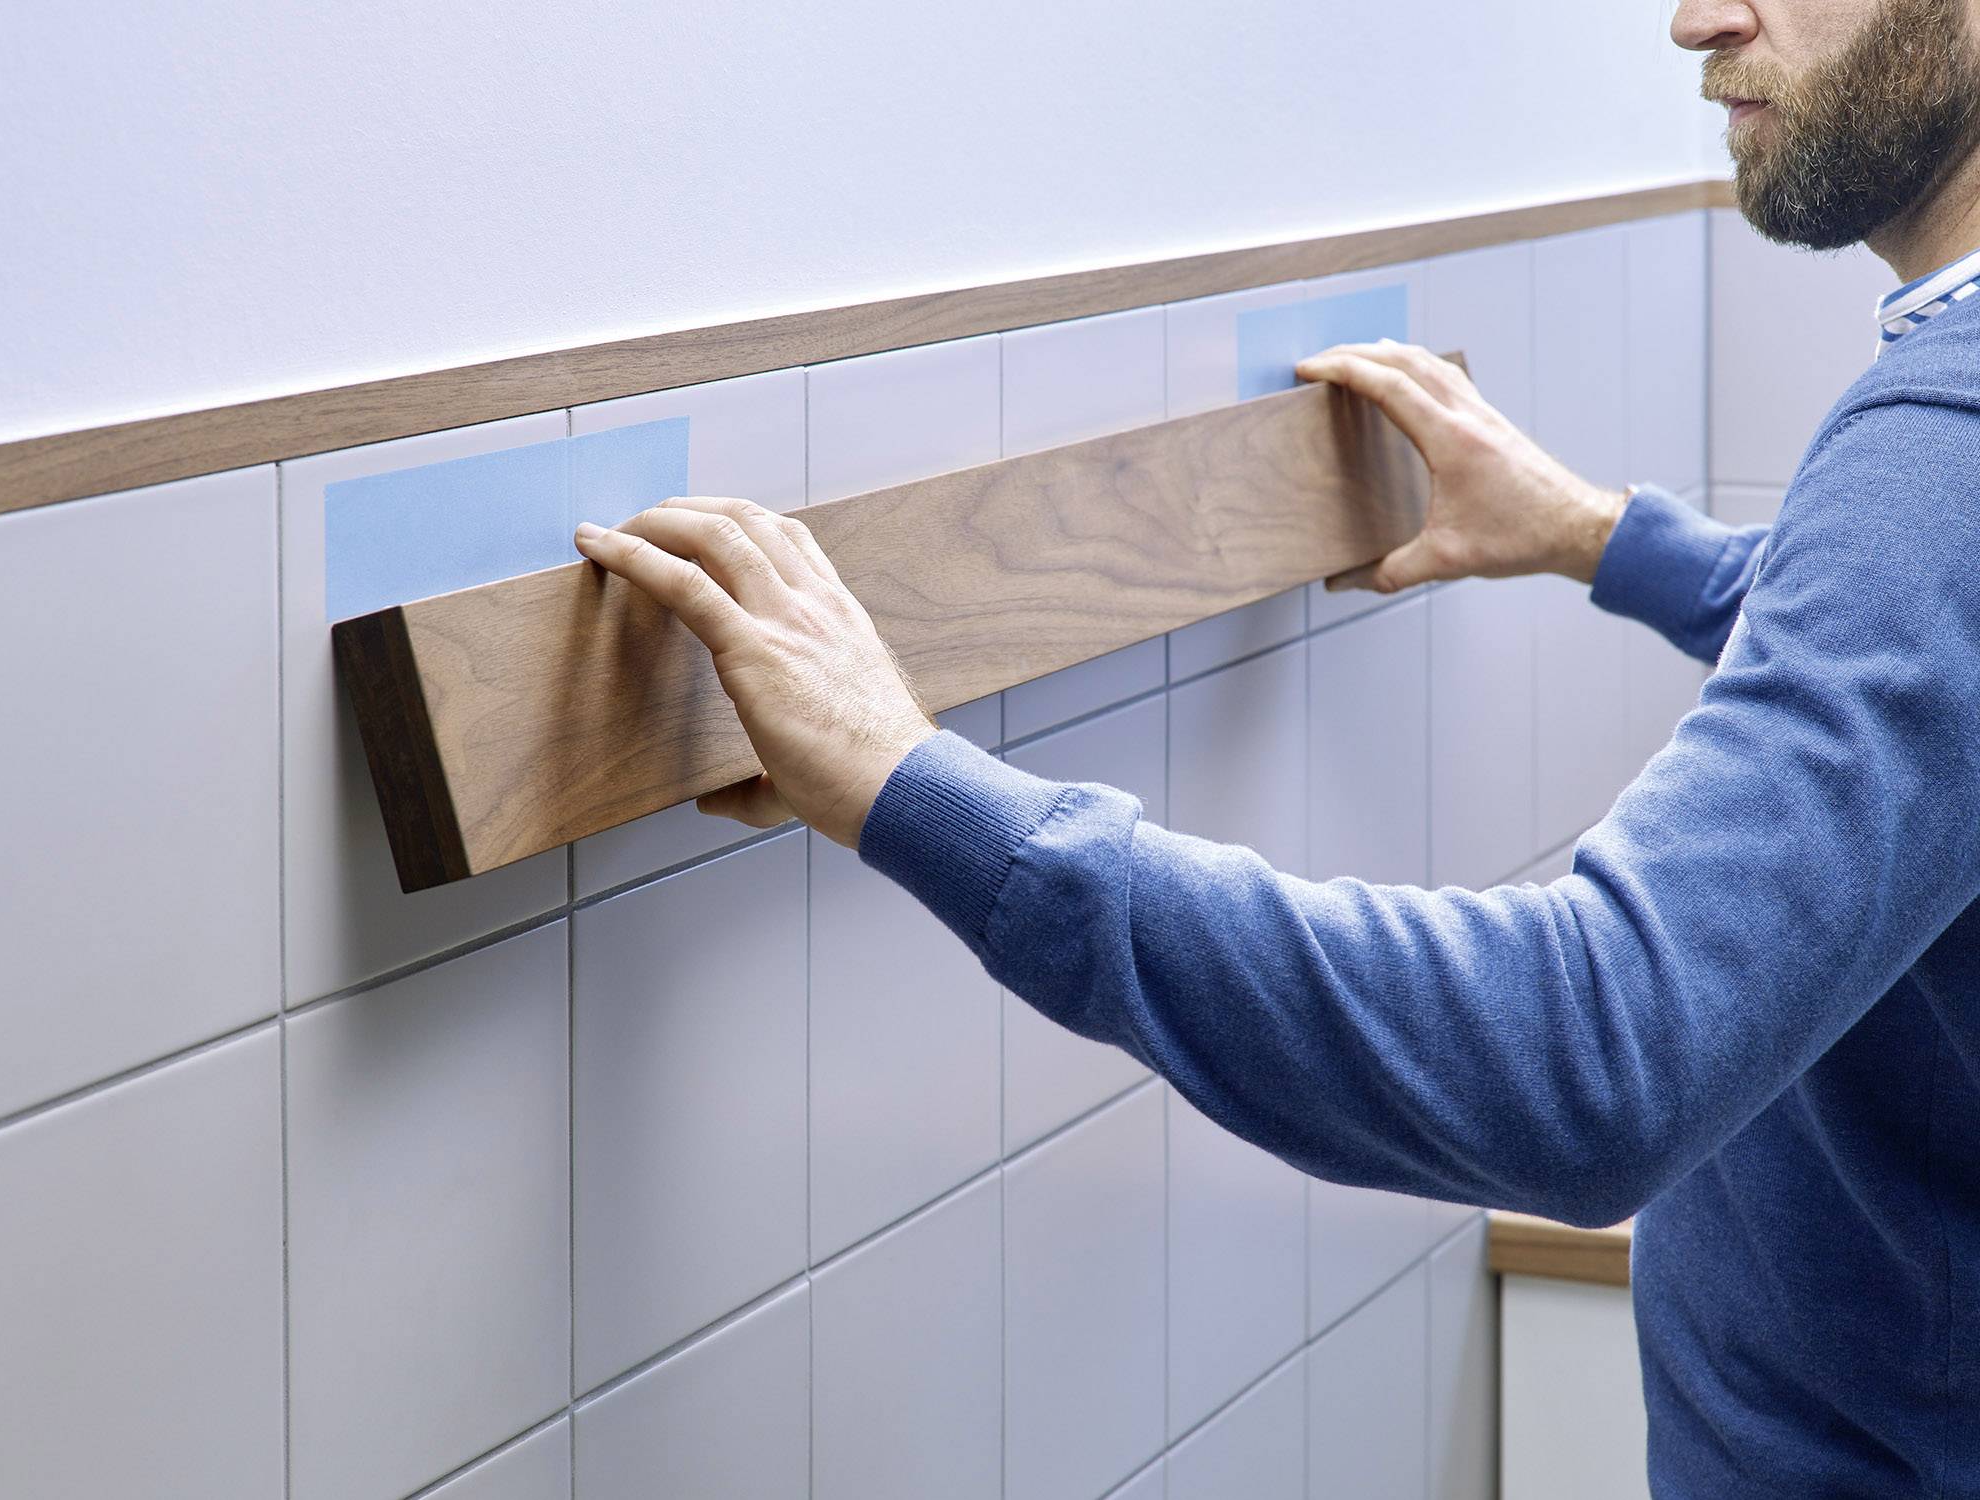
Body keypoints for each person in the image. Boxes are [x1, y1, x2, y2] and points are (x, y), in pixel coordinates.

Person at [570, 0, 1980, 1491]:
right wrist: (1600, 536)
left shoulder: (1943, 440)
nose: (1697, 18)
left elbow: (1589, 1058)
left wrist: (903, 786)